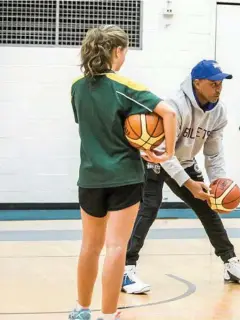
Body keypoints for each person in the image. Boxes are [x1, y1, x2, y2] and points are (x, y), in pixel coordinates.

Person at [68, 25, 177, 320]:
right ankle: (108, 313)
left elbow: (96, 129)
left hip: (90, 178)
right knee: (116, 247)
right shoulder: (125, 86)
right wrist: (166, 150)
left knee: (89, 247)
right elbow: (169, 112)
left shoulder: (77, 87)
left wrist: (137, 142)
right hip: (124, 177)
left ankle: (80, 309)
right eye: (125, 51)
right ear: (117, 51)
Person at [121, 60, 240, 294]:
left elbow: (213, 152)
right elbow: (164, 151)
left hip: (184, 160)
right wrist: (188, 183)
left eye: (220, 83)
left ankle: (230, 263)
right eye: (213, 84)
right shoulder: (175, 105)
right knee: (150, 206)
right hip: (157, 157)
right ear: (197, 83)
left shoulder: (218, 112)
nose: (218, 88)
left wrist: (218, 184)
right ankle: (125, 269)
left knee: (206, 207)